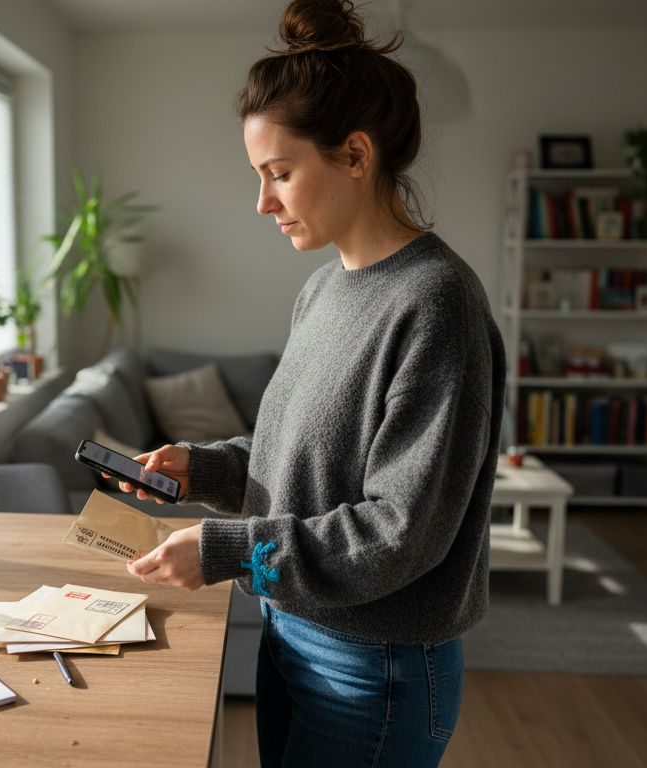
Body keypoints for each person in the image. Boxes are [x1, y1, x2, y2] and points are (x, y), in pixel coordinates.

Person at [114, 0, 505, 765]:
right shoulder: (324, 290)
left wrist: (229, 552)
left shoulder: (437, 303)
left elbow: (401, 532)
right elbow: (301, 454)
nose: (262, 202)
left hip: (375, 666)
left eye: (280, 174)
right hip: (294, 629)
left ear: (356, 155)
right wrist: (206, 467)